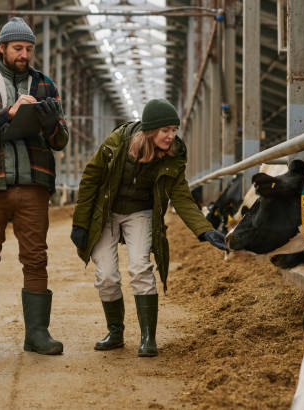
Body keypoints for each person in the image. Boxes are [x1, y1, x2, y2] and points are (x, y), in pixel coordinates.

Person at [70, 99, 228, 357]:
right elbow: (90, 179)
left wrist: (204, 229)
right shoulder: (118, 142)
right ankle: (115, 332)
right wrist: (80, 223)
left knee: (140, 268)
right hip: (107, 212)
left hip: (141, 213)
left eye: (174, 130)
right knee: (107, 275)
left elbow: (181, 196)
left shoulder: (174, 153)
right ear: (150, 130)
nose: (171, 136)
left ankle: (147, 337)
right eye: (165, 130)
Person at [0, 17, 69, 356]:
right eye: (18, 48)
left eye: (29, 49)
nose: (24, 54)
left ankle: (37, 333)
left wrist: (52, 124)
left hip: (33, 183)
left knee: (36, 258)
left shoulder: (45, 84)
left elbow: (61, 140)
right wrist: (9, 113)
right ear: (2, 48)